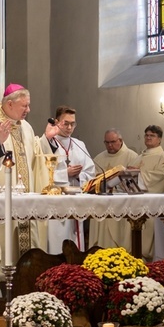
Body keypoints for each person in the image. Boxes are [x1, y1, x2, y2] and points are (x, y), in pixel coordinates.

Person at [0, 83, 58, 273]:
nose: (28, 110)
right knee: (2, 259)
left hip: (24, 204)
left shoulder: (26, 127)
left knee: (26, 258)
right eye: (24, 106)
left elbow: (35, 160)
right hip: (1, 205)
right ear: (9, 104)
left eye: (28, 105)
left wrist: (46, 140)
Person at [48, 106, 95, 253]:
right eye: (66, 123)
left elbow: (90, 170)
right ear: (56, 122)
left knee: (76, 240)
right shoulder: (49, 143)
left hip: (76, 199)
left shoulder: (79, 145)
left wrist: (79, 175)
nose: (69, 127)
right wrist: (65, 173)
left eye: (72, 124)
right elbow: (42, 173)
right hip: (56, 203)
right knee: (58, 240)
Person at [89, 128, 139, 249]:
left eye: (112, 142)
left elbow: (135, 184)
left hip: (121, 205)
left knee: (119, 240)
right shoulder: (99, 158)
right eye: (107, 142)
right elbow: (91, 180)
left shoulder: (132, 156)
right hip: (101, 205)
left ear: (120, 140)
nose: (109, 145)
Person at [128, 125, 164, 259]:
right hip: (135, 204)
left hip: (153, 204)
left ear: (159, 139)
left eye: (152, 135)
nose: (148, 138)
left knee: (149, 239)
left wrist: (138, 174)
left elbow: (161, 177)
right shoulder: (139, 157)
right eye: (146, 135)